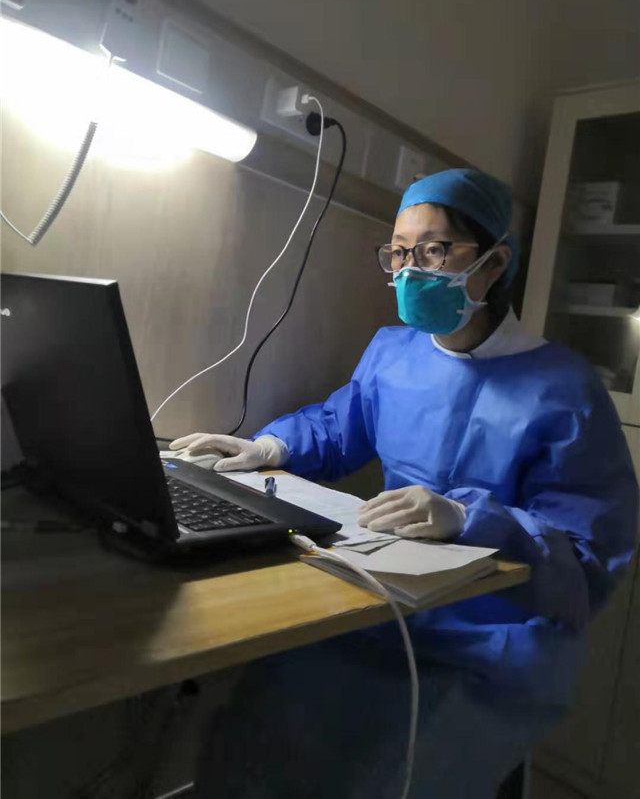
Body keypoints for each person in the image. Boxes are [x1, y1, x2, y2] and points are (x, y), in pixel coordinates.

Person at [172, 169, 638, 799]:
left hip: (490, 642)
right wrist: (269, 446)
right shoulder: (394, 353)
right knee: (255, 740)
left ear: (496, 262)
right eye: (398, 252)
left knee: (385, 779)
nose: (409, 270)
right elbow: (341, 425)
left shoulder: (565, 390)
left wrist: (472, 520)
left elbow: (587, 557)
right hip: (380, 610)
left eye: (433, 250)